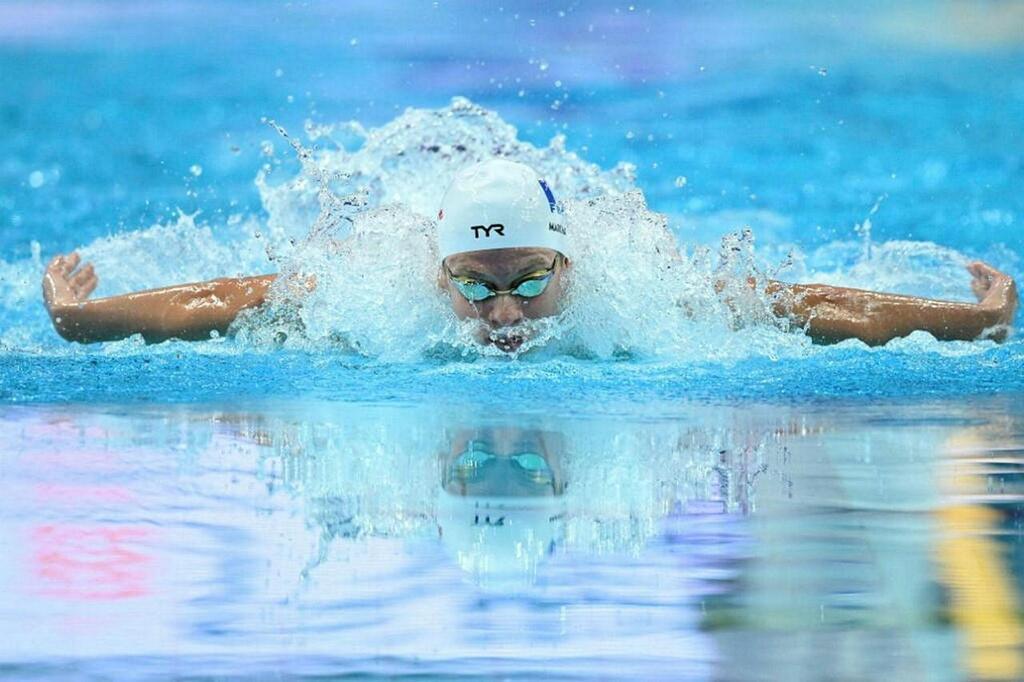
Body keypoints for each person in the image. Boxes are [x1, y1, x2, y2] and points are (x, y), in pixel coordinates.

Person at [42, 159, 1018, 351]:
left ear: (572, 269)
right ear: (435, 275)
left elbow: (810, 306)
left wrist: (969, 325)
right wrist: (86, 319)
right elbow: (224, 298)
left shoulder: (647, 298)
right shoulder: (368, 298)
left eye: (528, 284)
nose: (502, 314)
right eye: (474, 284)